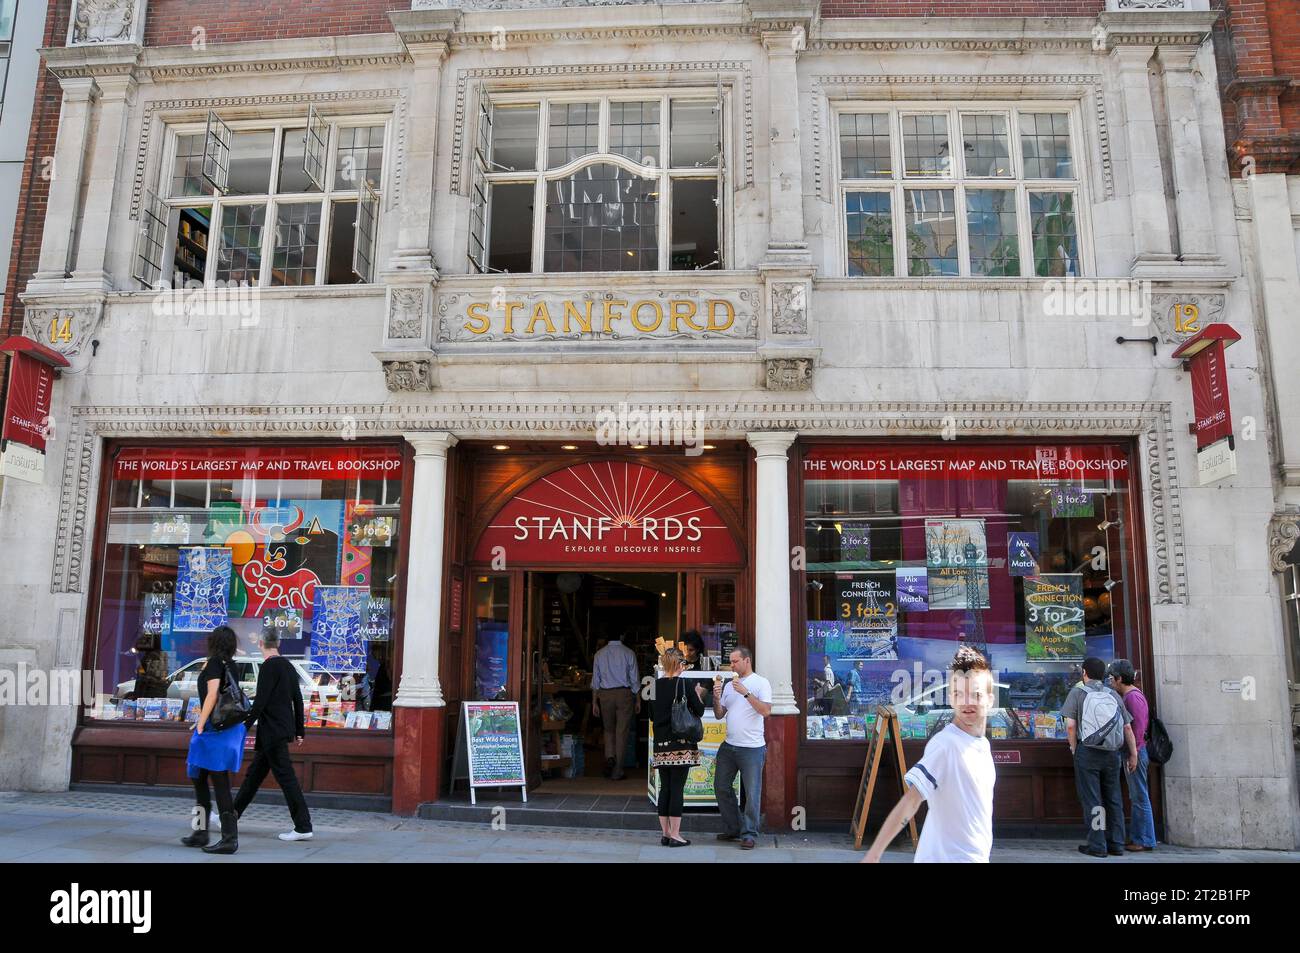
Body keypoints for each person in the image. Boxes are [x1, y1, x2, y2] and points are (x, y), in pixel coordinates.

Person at [862, 646, 997, 863]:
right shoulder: (946, 745)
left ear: (990, 699)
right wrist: (874, 854)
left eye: (976, 694)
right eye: (958, 694)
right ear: (951, 699)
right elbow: (911, 801)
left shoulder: (982, 746)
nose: (966, 702)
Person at [231, 628, 313, 841]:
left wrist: (243, 727)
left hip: (271, 732)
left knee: (287, 779)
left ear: (260, 643)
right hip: (280, 730)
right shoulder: (287, 665)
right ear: (278, 644)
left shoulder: (268, 667)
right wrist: (299, 730)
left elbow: (260, 701)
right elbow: (297, 699)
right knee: (254, 776)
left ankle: (303, 826)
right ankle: (230, 816)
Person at [1062, 656, 1138, 857]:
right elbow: (1127, 727)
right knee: (1114, 798)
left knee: (1093, 800)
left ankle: (1098, 845)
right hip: (1112, 754)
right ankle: (1116, 843)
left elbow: (1071, 726)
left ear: (1084, 673)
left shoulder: (1077, 692)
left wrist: (1074, 748)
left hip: (1088, 753)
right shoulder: (1113, 694)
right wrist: (1133, 753)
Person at [182, 626, 247, 854]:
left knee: (215, 782)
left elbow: (212, 694)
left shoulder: (215, 664)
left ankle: (229, 838)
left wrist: (200, 723)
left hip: (213, 732)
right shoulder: (231, 665)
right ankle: (200, 832)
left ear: (213, 642)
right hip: (226, 730)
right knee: (201, 777)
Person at [711, 646, 772, 850]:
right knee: (721, 786)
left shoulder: (761, 683)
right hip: (729, 745)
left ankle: (749, 833)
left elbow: (765, 711)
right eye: (730, 661)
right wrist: (716, 697)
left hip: (752, 748)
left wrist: (746, 693)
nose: (732, 665)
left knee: (752, 793)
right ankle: (733, 828)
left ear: (747, 661)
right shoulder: (729, 685)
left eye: (736, 661)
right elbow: (720, 714)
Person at [651, 647, 708, 846]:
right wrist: (698, 694)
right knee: (677, 789)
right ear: (680, 664)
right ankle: (675, 834)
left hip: (661, 745)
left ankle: (665, 833)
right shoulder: (685, 684)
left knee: (665, 788)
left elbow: (652, 716)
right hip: (681, 745)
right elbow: (699, 711)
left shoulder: (655, 686)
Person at [1108, 658, 1156, 852]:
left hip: (1135, 751)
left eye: (1112, 678)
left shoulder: (1131, 697)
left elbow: (1136, 729)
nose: (1110, 682)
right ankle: (1140, 836)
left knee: (1139, 797)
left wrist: (1133, 755)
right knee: (1137, 795)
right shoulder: (1132, 695)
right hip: (1135, 751)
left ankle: (1144, 839)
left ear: (1120, 678)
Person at [591, 631, 640, 780]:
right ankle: (618, 770)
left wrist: (594, 702)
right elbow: (635, 679)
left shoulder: (599, 654)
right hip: (624, 694)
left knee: (608, 730)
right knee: (622, 732)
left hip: (605, 694)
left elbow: (595, 681)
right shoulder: (629, 653)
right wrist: (638, 699)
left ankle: (610, 756)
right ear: (622, 636)